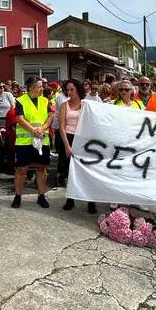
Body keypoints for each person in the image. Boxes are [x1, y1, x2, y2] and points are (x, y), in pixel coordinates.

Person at [12, 77, 54, 209]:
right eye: (39, 86)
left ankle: (41, 196)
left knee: (41, 168)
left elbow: (51, 116)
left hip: (42, 140)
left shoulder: (45, 100)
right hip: (25, 141)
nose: (42, 89)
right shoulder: (20, 100)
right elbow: (19, 119)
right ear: (31, 88)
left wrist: (43, 128)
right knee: (21, 169)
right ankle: (18, 196)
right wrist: (33, 130)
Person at [59, 79, 96, 214]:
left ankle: (91, 201)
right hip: (68, 138)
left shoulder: (87, 105)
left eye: (72, 90)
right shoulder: (64, 105)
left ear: (78, 90)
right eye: (67, 90)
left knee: (87, 171)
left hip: (83, 140)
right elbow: (62, 127)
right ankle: (70, 199)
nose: (69, 92)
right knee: (70, 172)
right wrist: (67, 146)